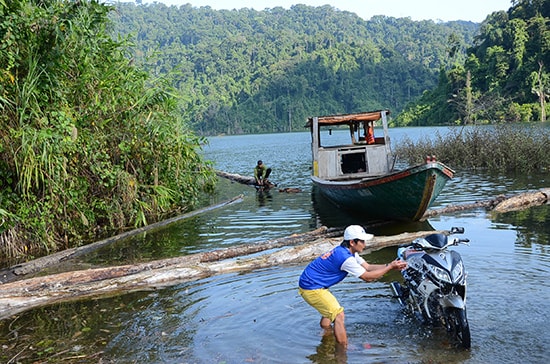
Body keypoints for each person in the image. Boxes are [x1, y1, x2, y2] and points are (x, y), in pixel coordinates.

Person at [298, 225, 407, 349]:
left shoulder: (348, 252)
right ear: (352, 242)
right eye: (362, 241)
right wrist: (390, 268)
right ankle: (344, 350)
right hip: (312, 288)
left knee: (330, 310)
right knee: (339, 315)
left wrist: (391, 265)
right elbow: (367, 277)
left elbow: (368, 267)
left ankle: (326, 335)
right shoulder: (346, 258)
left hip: (313, 284)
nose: (364, 244)